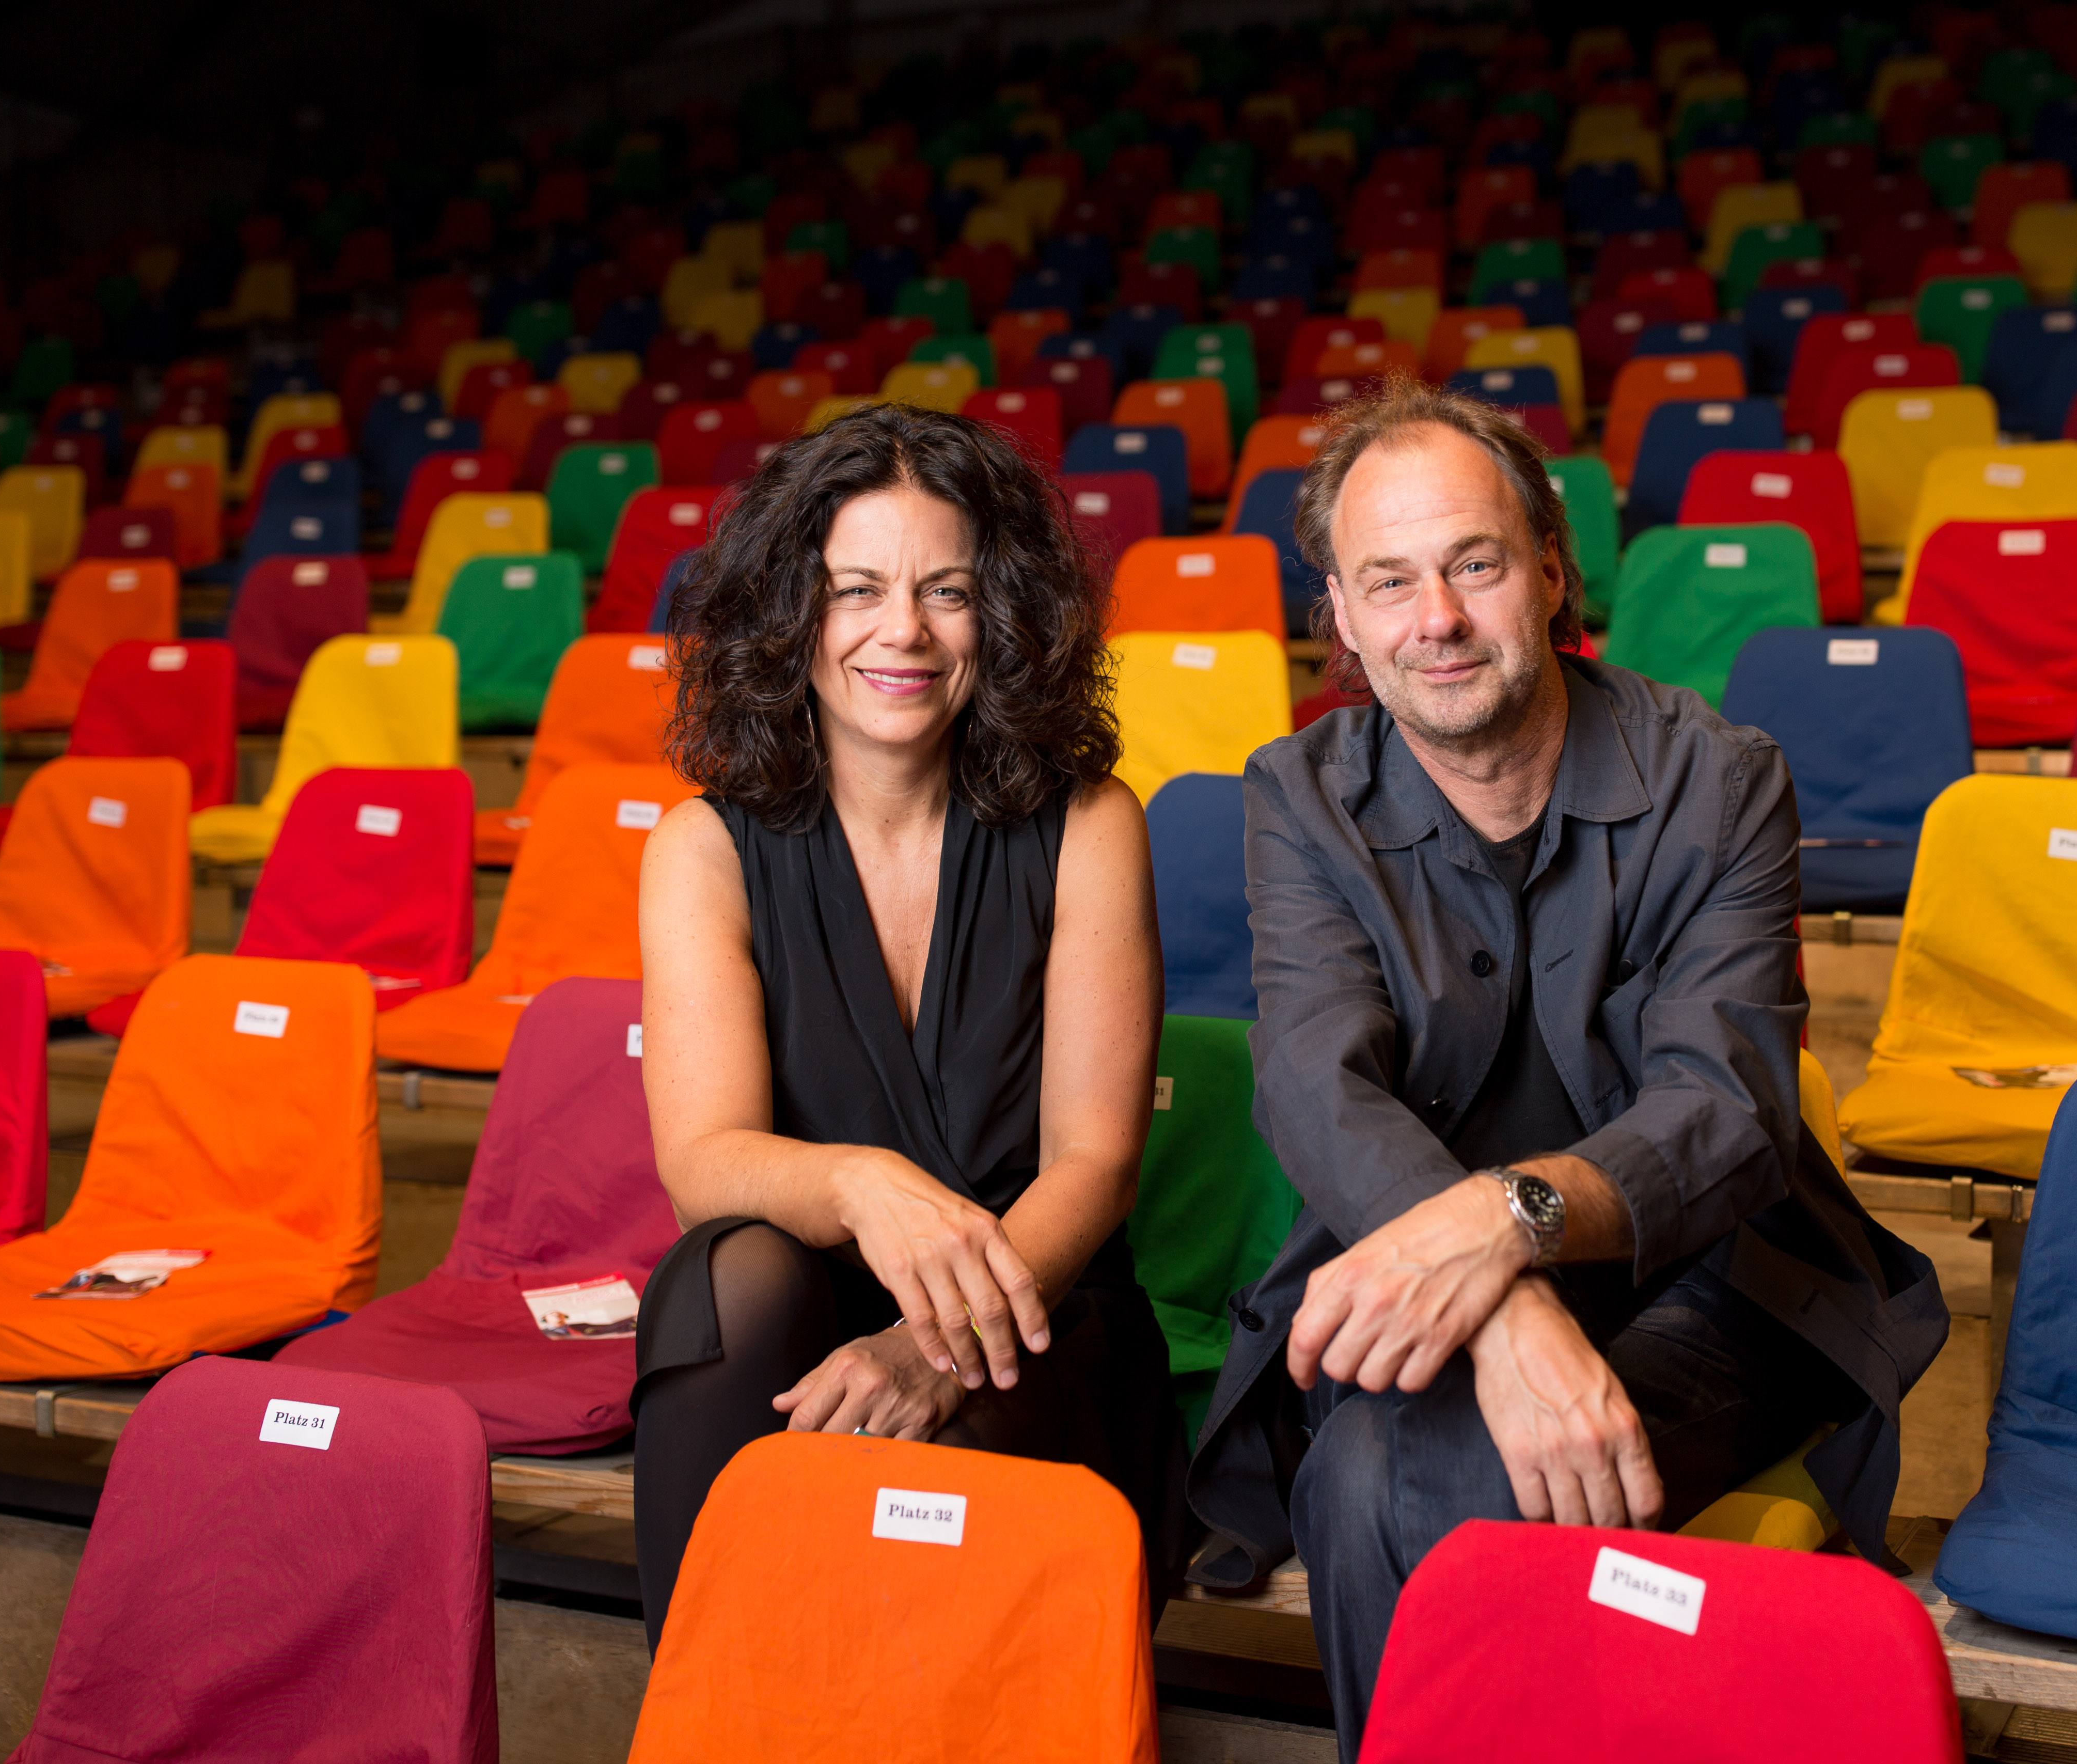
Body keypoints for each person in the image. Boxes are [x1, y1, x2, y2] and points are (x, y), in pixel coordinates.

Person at [1182, 381, 1949, 1756]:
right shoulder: (1294, 795)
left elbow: (1726, 1113)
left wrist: (1504, 1225)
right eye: (1388, 582)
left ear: (1547, 572)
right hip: (1420, 1282)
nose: (1437, 621)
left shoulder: (1719, 776)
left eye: (1472, 565)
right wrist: (1499, 1303)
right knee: (1374, 1470)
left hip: (1719, 1280)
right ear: (1342, 621)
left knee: (1392, 1482)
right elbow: (1313, 1085)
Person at [632, 402, 1178, 1648]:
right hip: (807, 1307)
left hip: (1035, 1312)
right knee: (726, 1280)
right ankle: (705, 1715)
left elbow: (1094, 1163)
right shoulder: (704, 849)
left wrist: (937, 1349)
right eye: (857, 589)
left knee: (955, 1454)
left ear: (1005, 614)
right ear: (792, 613)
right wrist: (868, 1185)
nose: (904, 632)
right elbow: (704, 1161)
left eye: (948, 590)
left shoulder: (1090, 824)